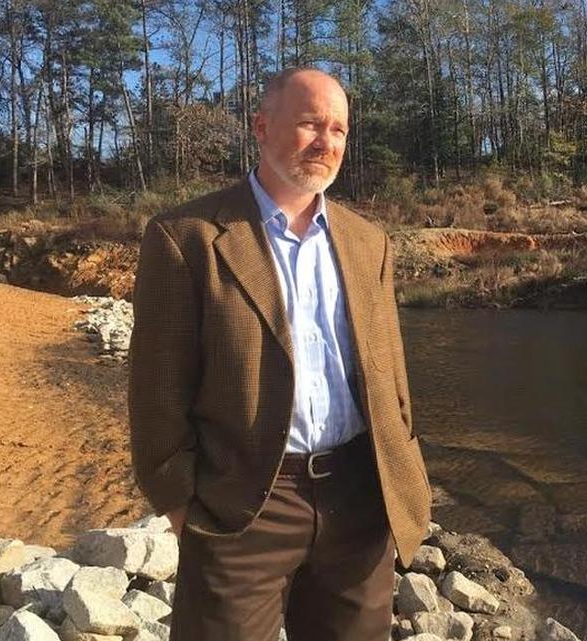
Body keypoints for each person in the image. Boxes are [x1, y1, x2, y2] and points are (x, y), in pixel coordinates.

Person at [127, 67, 431, 641]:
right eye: (311, 123)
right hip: (242, 504)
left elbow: (392, 374)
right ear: (262, 127)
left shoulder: (370, 242)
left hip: (359, 499)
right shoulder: (186, 236)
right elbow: (156, 387)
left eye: (339, 129)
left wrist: (403, 472)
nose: (327, 142)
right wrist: (180, 502)